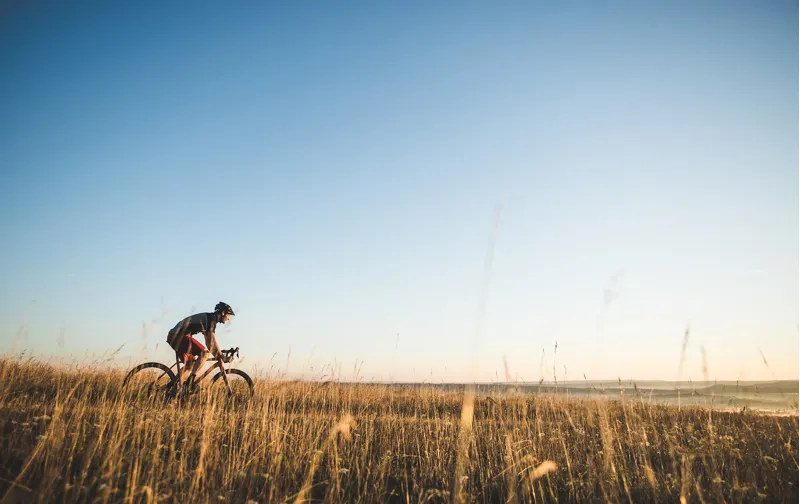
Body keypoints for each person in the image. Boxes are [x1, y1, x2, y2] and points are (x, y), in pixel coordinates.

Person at [166, 301, 235, 391]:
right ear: (223, 313)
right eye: (228, 315)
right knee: (205, 354)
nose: (229, 318)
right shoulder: (211, 319)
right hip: (178, 336)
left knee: (190, 365)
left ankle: (171, 388)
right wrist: (221, 356)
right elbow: (212, 342)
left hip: (176, 336)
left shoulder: (210, 319)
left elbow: (209, 343)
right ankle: (190, 383)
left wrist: (219, 354)